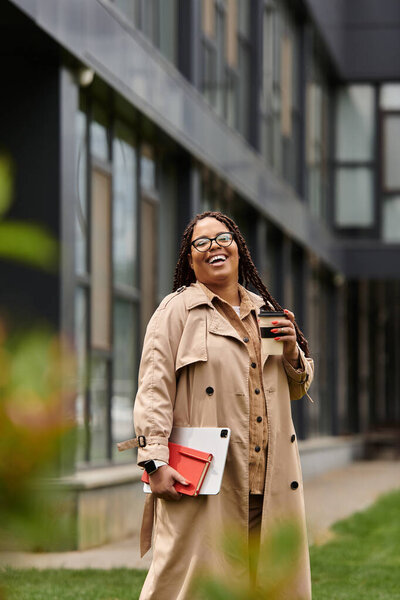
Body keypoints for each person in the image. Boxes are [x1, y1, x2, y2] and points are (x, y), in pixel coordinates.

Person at [118, 211, 314, 600]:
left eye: (222, 238)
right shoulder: (175, 311)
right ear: (190, 259)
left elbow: (295, 387)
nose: (214, 248)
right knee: (189, 584)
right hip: (208, 481)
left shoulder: (267, 311)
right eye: (201, 243)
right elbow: (153, 389)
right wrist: (154, 462)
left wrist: (293, 351)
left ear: (238, 248)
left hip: (271, 482)